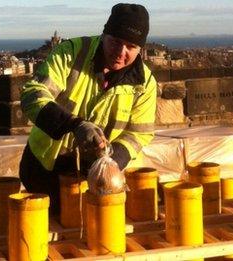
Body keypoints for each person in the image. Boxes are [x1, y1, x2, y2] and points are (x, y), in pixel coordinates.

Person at [19, 3, 157, 214]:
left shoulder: (145, 83)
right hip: (43, 170)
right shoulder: (71, 53)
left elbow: (140, 133)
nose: (121, 52)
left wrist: (111, 161)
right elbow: (33, 94)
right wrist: (75, 124)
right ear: (104, 35)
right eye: (116, 41)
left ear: (141, 49)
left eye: (130, 46)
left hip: (94, 179)